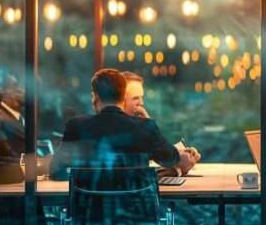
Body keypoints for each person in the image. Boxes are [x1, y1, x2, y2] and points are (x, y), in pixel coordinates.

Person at [50, 69, 198, 180]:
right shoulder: (144, 128)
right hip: (136, 218)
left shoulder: (76, 126)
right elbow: (171, 158)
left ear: (95, 96)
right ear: (123, 97)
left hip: (90, 217)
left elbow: (55, 171)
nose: (141, 103)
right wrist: (148, 123)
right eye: (136, 98)